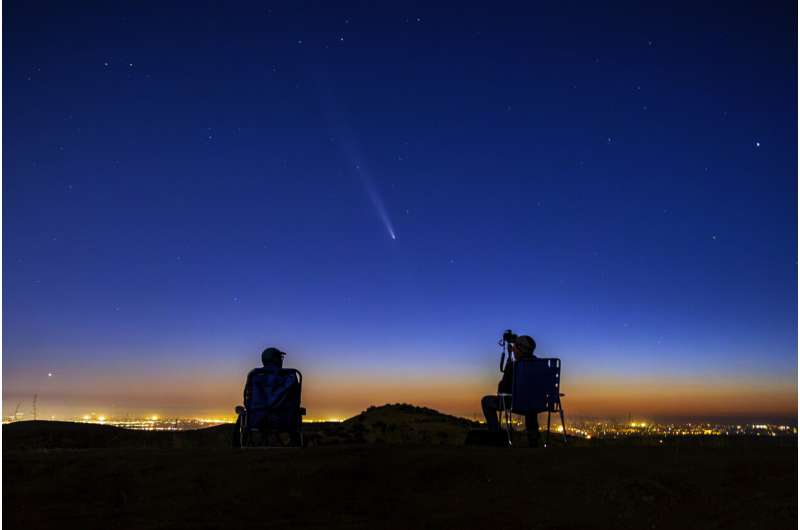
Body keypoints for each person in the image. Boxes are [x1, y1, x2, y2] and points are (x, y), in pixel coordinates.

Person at [481, 335, 541, 447]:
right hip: (538, 404)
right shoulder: (540, 365)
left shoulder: (514, 366)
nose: (513, 350)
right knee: (531, 403)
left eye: (515, 348)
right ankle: (533, 439)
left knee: (486, 401)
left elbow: (503, 389)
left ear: (519, 349)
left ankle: (495, 435)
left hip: (516, 403)